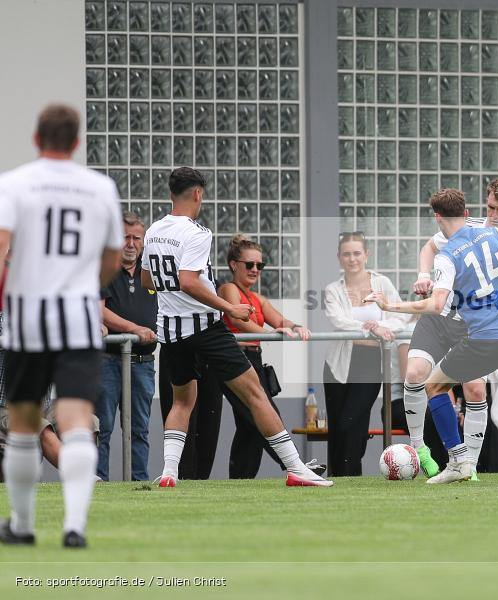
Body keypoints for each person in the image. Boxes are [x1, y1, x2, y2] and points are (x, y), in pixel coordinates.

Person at [367, 188, 498, 485]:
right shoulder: (497, 236)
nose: (493, 215)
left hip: (485, 335)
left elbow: (436, 303)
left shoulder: (448, 256)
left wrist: (389, 304)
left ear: (438, 217)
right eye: (491, 208)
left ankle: (457, 461)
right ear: (468, 214)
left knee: (435, 385)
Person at [141, 167, 330, 487]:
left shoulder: (153, 232)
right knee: (256, 393)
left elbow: (147, 280)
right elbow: (188, 281)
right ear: (198, 194)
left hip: (170, 333)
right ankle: (296, 469)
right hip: (204, 328)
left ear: (171, 194)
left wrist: (172, 291)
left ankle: (170, 472)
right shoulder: (197, 233)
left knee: (182, 402)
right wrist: (229, 308)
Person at [0, 104, 124, 548]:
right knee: (74, 422)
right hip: (78, 320)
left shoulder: (14, 183)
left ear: (37, 138)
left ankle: (23, 524)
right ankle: (74, 527)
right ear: (75, 142)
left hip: (29, 320)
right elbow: (113, 259)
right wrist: (83, 284)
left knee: (24, 422)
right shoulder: (100, 188)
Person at [407, 177, 498, 479]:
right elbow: (430, 246)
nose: (493, 215)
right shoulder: (470, 229)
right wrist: (423, 274)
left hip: (472, 327)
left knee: (475, 389)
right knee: (416, 373)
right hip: (440, 318)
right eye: (490, 207)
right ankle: (421, 450)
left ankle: (468, 465)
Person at [218, 234, 312, 478]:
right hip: (235, 359)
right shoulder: (229, 289)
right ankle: (294, 465)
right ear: (233, 265)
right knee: (263, 414)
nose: (255, 270)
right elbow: (240, 319)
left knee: (249, 425)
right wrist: (270, 333)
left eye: (260, 265)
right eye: (249, 265)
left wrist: (295, 326)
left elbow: (280, 320)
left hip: (254, 359)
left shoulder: (257, 297)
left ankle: (241, 480)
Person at [322, 232, 406, 476]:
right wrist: (369, 327)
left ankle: (349, 474)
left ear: (366, 255)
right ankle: (339, 478)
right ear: (339, 258)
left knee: (352, 421)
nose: (352, 259)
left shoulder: (382, 284)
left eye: (357, 253)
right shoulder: (332, 290)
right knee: (338, 427)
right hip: (338, 364)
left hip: (370, 363)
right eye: (346, 254)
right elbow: (337, 320)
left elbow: (400, 316)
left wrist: (382, 327)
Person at [97, 211, 158, 481]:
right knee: (103, 428)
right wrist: (135, 329)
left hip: (143, 364)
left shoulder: (152, 270)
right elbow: (100, 311)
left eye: (136, 238)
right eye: (125, 237)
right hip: (108, 362)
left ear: (144, 241)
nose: (131, 244)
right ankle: (99, 484)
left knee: (139, 429)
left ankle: (139, 484)